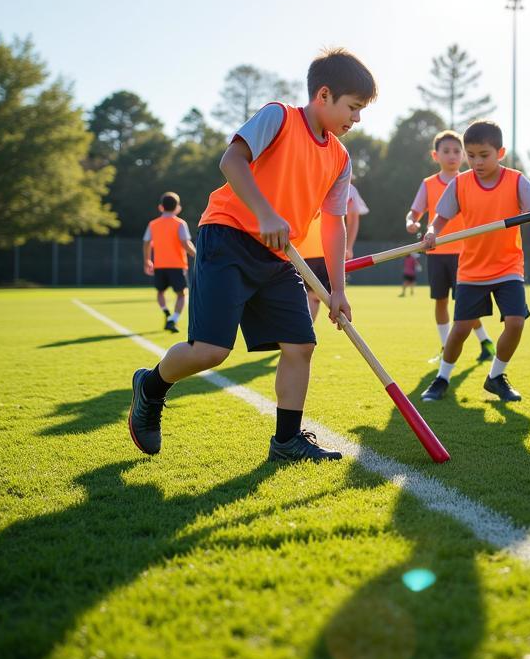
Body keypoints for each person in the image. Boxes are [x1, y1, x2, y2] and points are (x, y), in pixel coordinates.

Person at [126, 48, 378, 463]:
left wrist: (337, 289)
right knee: (211, 351)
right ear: (324, 95)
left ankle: (287, 441)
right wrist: (264, 213)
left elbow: (333, 224)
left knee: (301, 344)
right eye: (353, 108)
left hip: (280, 257)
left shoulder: (340, 157)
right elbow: (232, 161)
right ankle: (151, 387)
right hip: (227, 238)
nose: (356, 119)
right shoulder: (278, 116)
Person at [420, 120, 530, 403]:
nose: (476, 162)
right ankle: (442, 378)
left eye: (484, 155)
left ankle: (496, 376)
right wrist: (432, 232)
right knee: (459, 331)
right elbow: (441, 218)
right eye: (471, 156)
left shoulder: (516, 180)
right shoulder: (460, 183)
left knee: (516, 323)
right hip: (472, 270)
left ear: (500, 152)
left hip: (508, 267)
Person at [406, 130, 495, 362]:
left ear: (464, 155)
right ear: (436, 155)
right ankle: (446, 347)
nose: (452, 156)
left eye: (457, 151)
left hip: (466, 253)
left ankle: (485, 341)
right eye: (446, 151)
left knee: (466, 303)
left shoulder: (469, 181)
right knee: (441, 300)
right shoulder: (428, 184)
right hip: (436, 252)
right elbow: (414, 212)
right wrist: (412, 222)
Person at [301, 180, 369, 323]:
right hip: (315, 250)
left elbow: (353, 216)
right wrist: (348, 247)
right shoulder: (347, 187)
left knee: (313, 296)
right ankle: (301, 336)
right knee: (313, 296)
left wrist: (348, 247)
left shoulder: (347, 188)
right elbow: (353, 217)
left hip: (320, 250)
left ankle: (302, 337)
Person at [142, 192, 197, 332]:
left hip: (159, 265)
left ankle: (166, 312)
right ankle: (173, 319)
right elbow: (186, 243)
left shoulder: (153, 224)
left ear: (161, 207)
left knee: (160, 292)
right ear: (178, 208)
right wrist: (197, 255)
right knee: (182, 294)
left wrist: (147, 260)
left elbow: (146, 242)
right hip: (177, 265)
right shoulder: (180, 223)